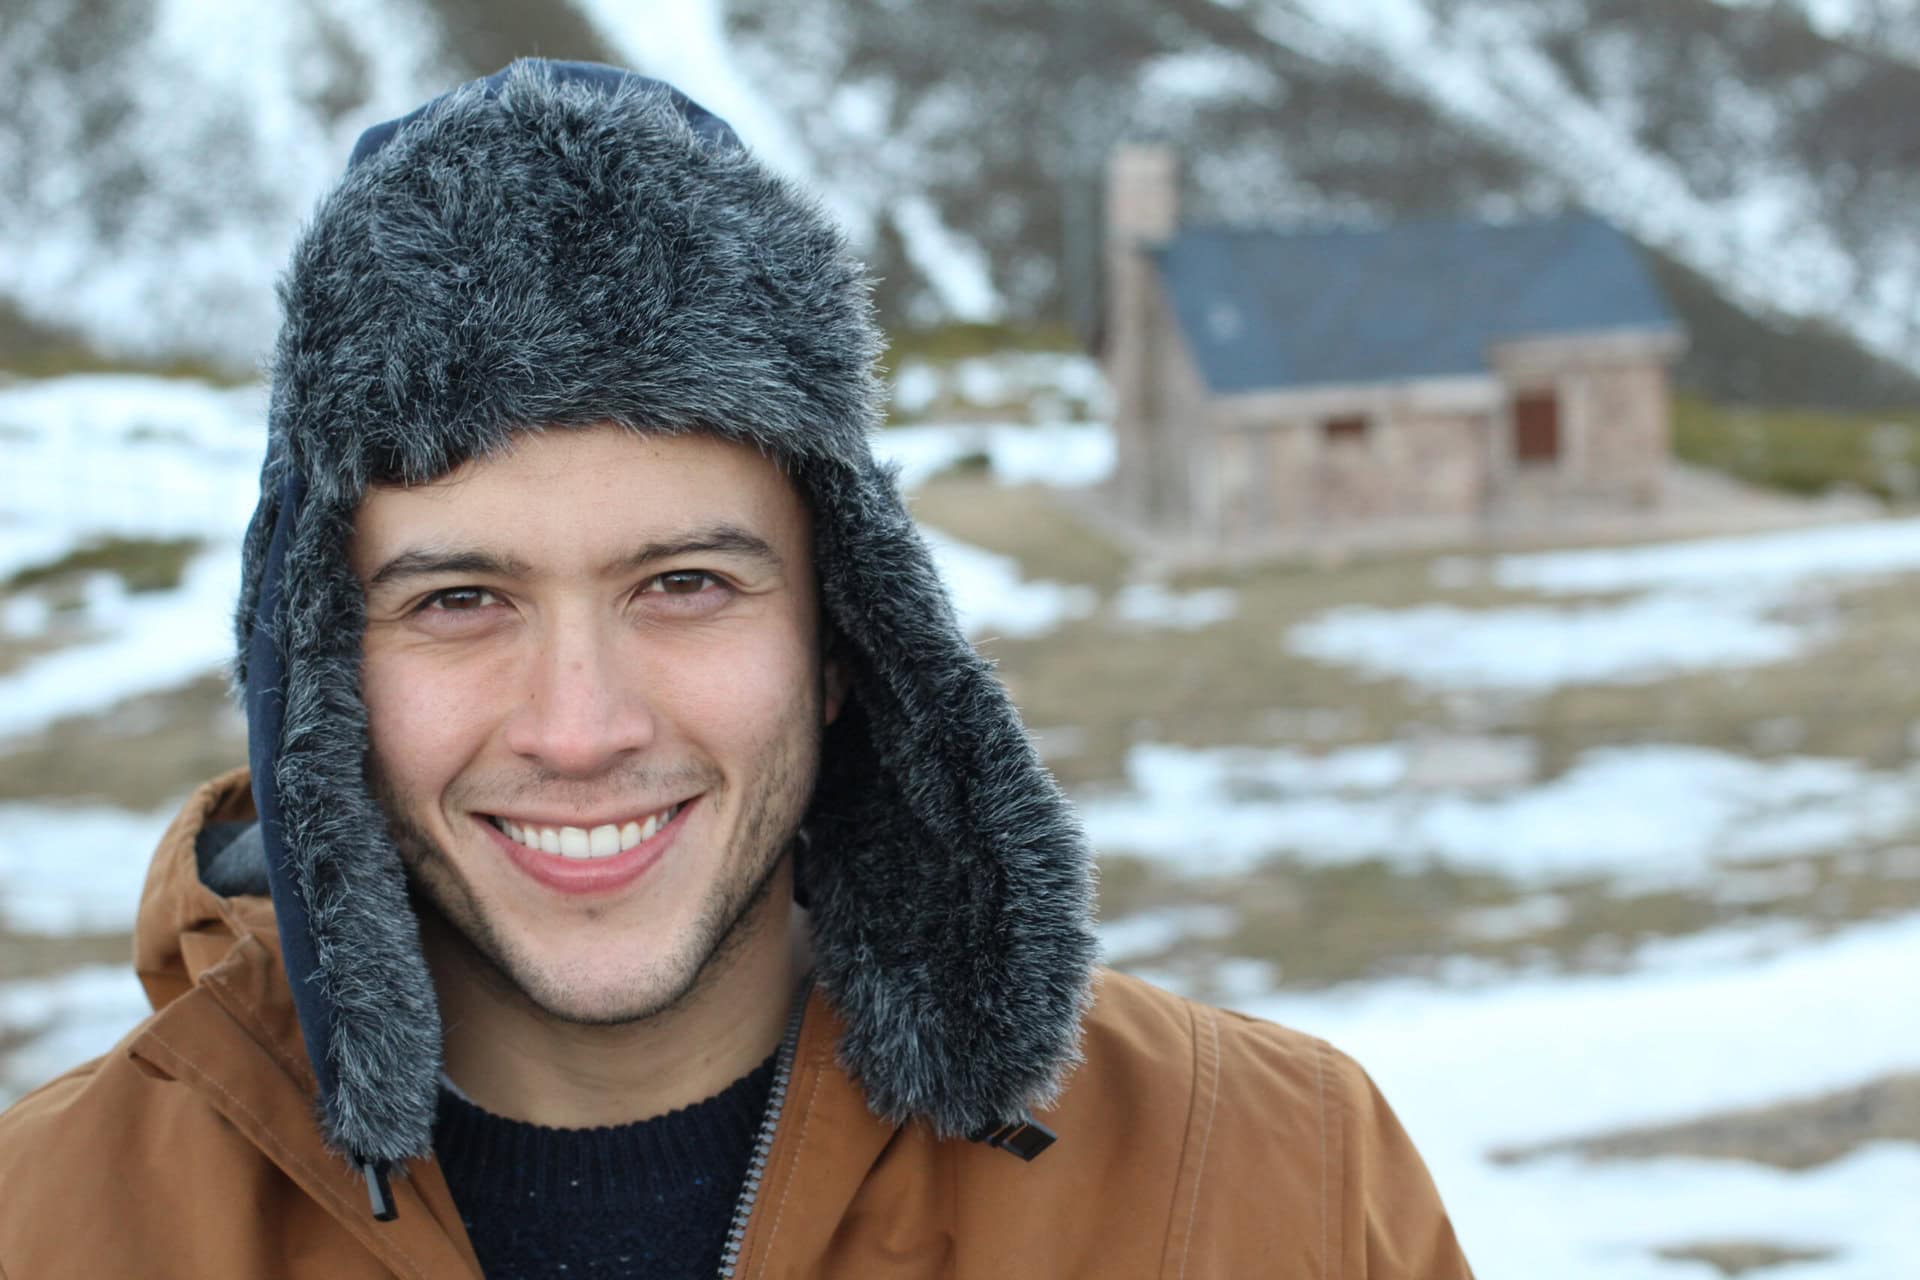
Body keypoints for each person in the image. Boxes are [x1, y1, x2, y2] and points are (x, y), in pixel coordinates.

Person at [0, 60, 1472, 1277]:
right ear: (322, 680)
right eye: (459, 600)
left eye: (685, 584)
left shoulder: (1272, 1190)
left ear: (844, 639)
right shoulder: (53, 1229)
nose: (580, 728)